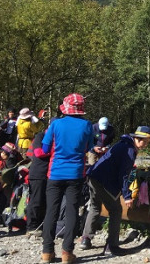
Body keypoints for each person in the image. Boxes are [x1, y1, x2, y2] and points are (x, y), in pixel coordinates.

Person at [79, 125, 150, 255]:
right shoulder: (129, 151)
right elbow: (124, 175)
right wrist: (127, 196)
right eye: (146, 142)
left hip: (93, 176)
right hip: (104, 181)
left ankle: (86, 239)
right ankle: (111, 245)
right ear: (139, 139)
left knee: (95, 207)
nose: (145, 145)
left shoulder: (122, 144)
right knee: (116, 210)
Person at [40, 94, 94, 264]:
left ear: (65, 107)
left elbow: (45, 148)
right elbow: (90, 147)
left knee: (51, 212)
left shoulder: (55, 124)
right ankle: (67, 253)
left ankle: (47, 253)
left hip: (55, 173)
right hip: (76, 174)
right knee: (72, 212)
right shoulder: (87, 125)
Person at [25, 130, 49, 235]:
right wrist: (53, 151)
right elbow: (38, 153)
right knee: (36, 200)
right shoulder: (40, 136)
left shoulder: (56, 139)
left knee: (45, 201)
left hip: (48, 174)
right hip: (37, 173)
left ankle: (41, 225)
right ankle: (31, 226)